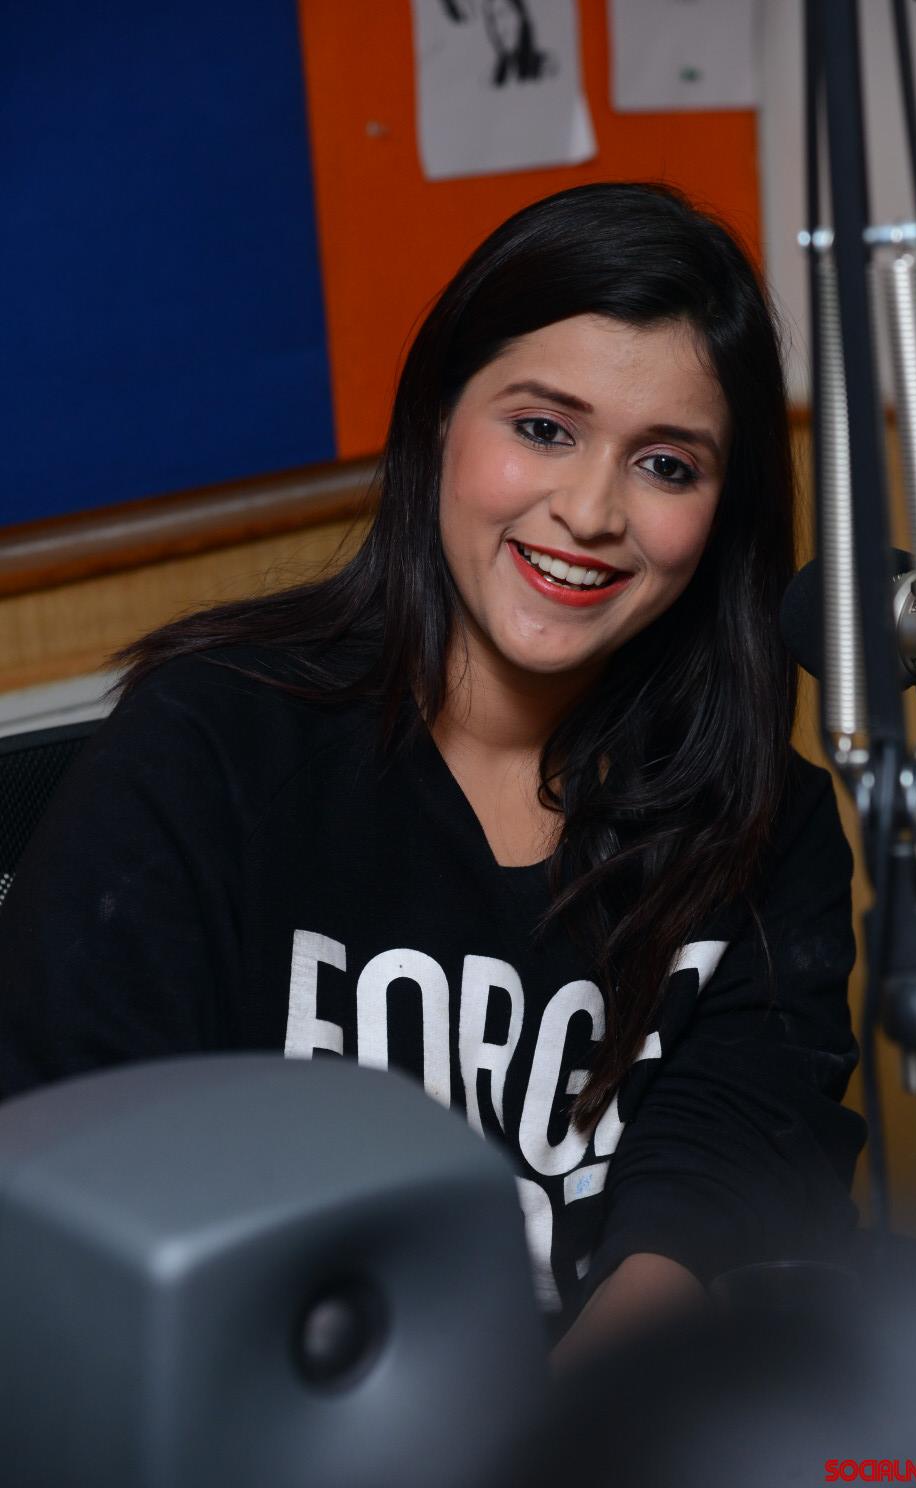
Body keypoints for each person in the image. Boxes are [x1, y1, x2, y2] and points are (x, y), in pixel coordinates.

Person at [0, 182, 865, 1359]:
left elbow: (734, 1159)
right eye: (543, 429)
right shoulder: (213, 742)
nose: (590, 510)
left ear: (723, 514)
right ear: (438, 419)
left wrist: (578, 1426)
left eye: (666, 465)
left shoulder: (769, 819)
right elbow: (71, 1171)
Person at [482, 0, 554, 85]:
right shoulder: (492, 77)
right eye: (491, 19)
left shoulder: (546, 68)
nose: (498, 28)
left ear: (521, 15)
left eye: (503, 14)